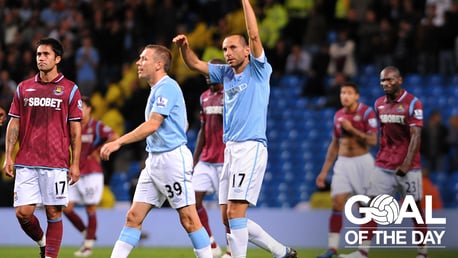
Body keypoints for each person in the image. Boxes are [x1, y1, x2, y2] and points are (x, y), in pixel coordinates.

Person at [173, 0, 297, 257]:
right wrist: (185, 48)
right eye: (224, 48)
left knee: (236, 213)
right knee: (227, 218)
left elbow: (253, 34)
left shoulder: (259, 71)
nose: (227, 52)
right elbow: (195, 64)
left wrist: (245, 2)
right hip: (231, 149)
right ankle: (281, 252)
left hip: (250, 147)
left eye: (232, 47)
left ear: (247, 51)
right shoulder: (225, 74)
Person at [99, 44, 213, 258]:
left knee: (189, 219)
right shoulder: (157, 90)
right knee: (133, 217)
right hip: (155, 162)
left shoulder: (167, 87)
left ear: (159, 64)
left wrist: (118, 142)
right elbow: (184, 123)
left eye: (143, 59)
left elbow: (153, 125)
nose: (138, 63)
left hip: (172, 161)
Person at [2, 37, 82, 258]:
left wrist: (75, 163)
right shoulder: (24, 88)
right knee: (22, 213)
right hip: (26, 160)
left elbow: (75, 130)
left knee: (54, 211)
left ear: (57, 58)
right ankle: (42, 242)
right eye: (38, 54)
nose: (41, 58)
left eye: (46, 54)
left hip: (56, 162)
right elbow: (14, 122)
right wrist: (8, 156)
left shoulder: (70, 90)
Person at [339, 66, 428, 258]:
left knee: (415, 209)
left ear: (400, 80)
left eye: (390, 80)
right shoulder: (378, 103)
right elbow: (383, 134)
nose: (386, 84)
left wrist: (405, 163)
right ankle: (362, 252)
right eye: (383, 81)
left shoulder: (413, 103)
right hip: (384, 165)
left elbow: (416, 136)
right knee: (370, 206)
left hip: (408, 168)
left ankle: (423, 252)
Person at [315, 82, 378, 258]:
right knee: (336, 203)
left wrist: (353, 130)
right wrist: (324, 171)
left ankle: (363, 251)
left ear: (356, 95)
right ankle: (332, 248)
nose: (345, 96)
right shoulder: (338, 115)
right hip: (342, 163)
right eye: (343, 93)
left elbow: (373, 141)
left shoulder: (367, 113)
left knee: (365, 208)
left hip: (362, 162)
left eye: (349, 93)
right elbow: (335, 143)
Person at [63, 96, 119, 257]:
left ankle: (87, 247)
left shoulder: (96, 126)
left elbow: (114, 136)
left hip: (92, 173)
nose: (79, 109)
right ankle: (88, 233)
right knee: (66, 208)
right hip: (74, 172)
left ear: (89, 109)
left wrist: (99, 149)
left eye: (82, 106)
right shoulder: (72, 125)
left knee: (90, 208)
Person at [193, 59, 231, 258]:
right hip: (206, 160)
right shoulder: (204, 97)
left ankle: (232, 250)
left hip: (224, 161)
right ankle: (211, 244)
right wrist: (194, 159)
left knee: (227, 211)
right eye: (206, 73)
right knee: (193, 201)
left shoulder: (230, 95)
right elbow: (202, 130)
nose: (207, 77)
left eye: (211, 73)